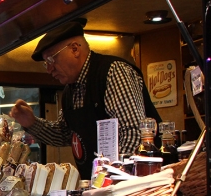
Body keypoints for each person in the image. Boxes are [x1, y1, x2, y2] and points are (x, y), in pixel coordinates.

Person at [9, 17, 162, 179]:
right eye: (46, 64)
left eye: (51, 59)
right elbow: (64, 134)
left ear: (74, 49)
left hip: (134, 185)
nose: (49, 69)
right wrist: (32, 123)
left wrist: (110, 178)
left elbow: (133, 133)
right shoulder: (69, 92)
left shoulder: (112, 72)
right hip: (100, 186)